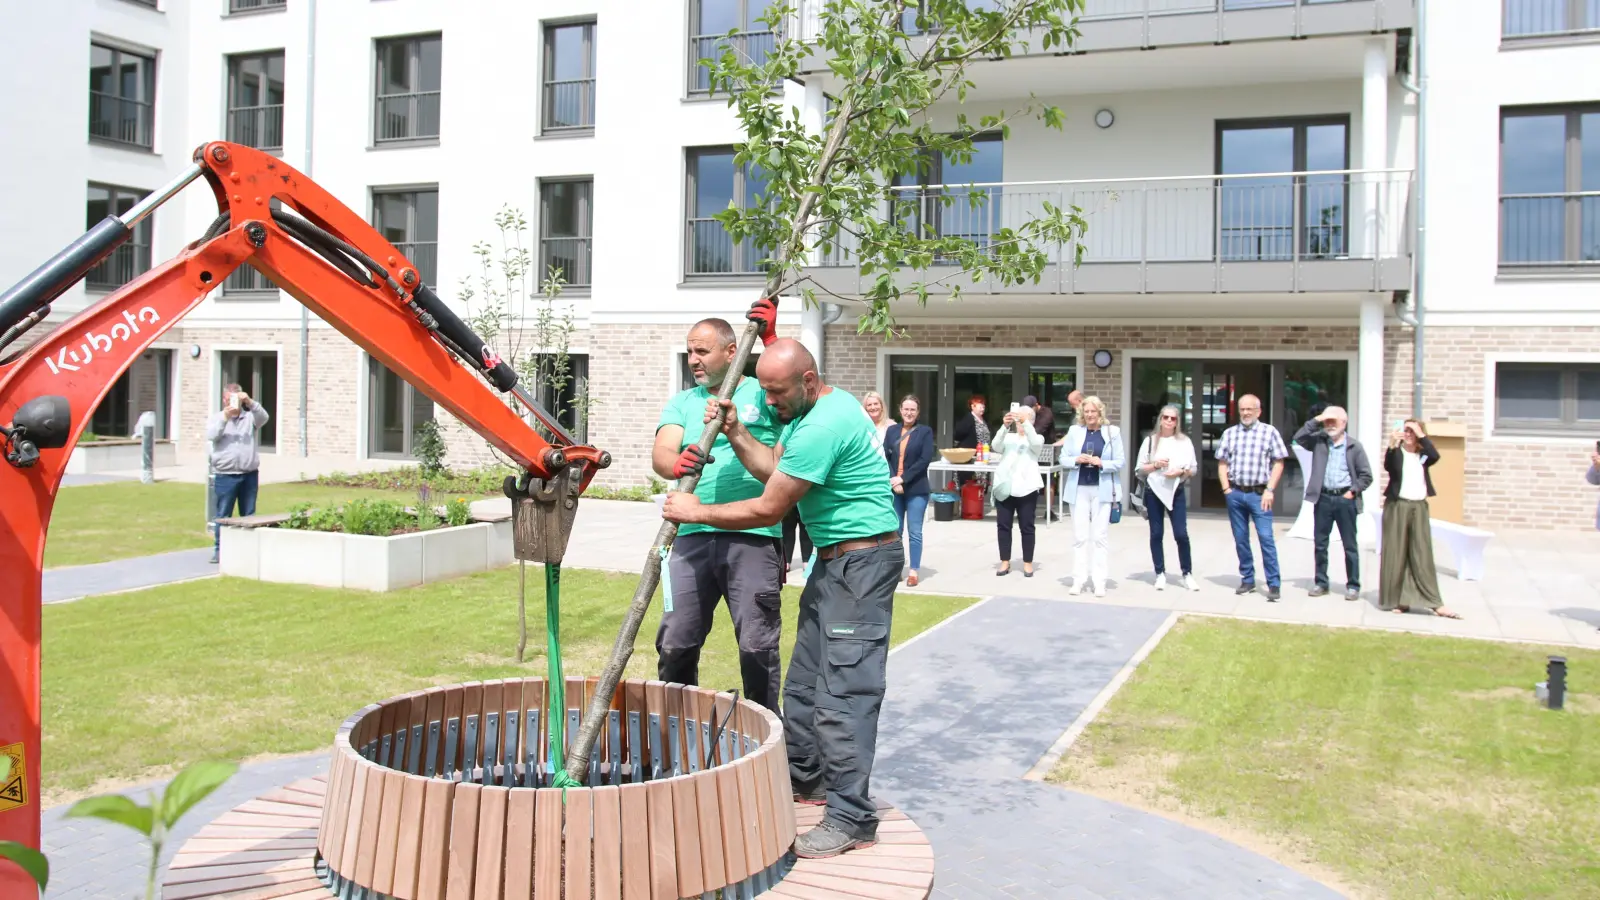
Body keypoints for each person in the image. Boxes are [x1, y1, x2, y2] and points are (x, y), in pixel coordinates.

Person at [662, 334, 901, 861]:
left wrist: (695, 511)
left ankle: (852, 817)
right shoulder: (808, 410)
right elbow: (775, 468)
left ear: (808, 381)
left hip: (861, 566)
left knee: (844, 694)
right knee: (803, 688)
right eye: (765, 392)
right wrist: (736, 430)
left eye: (776, 393)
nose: (768, 401)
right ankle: (807, 781)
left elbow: (770, 507)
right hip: (834, 562)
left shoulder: (823, 425)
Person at [651, 317, 785, 713]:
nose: (693, 359)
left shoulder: (762, 393)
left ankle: (765, 727)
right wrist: (676, 464)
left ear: (732, 352)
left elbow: (799, 382)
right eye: (689, 351)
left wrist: (772, 337)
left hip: (752, 535)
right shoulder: (683, 402)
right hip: (689, 537)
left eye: (702, 351)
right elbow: (662, 454)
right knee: (675, 640)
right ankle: (677, 726)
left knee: (757, 645)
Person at [1293, 405, 1373, 601]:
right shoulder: (1319, 441)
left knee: (1349, 545)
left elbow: (1366, 476)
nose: (1329, 425)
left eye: (1333, 421)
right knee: (1320, 544)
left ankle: (1353, 585)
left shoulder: (1354, 446)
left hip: (1345, 500)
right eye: (1327, 422)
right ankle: (1321, 582)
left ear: (1344, 423)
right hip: (1324, 499)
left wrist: (1352, 492)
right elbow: (1299, 437)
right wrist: (1318, 419)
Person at [1381, 420, 1459, 618]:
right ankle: (1400, 600)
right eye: (1405, 430)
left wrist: (1421, 435)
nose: (1408, 434)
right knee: (1397, 552)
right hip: (1398, 506)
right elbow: (1389, 466)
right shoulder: (1397, 453)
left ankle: (1435, 602)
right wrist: (1391, 444)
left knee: (1421, 553)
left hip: (1419, 507)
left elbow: (1435, 455)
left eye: (1412, 431)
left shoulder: (1423, 455)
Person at [1214, 393, 1288, 601]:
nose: (1246, 413)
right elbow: (1222, 463)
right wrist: (1226, 489)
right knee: (1240, 539)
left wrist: (1270, 489)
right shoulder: (1230, 434)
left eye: (1250, 409)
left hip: (1259, 494)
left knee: (1266, 538)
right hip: (1236, 493)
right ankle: (1247, 579)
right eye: (1243, 409)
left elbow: (1279, 462)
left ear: (1258, 411)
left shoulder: (1269, 432)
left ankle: (1273, 584)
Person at [1059, 395, 1123, 597]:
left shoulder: (1112, 432)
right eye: (1086, 411)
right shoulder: (1074, 431)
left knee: (1099, 537)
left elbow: (1120, 461)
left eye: (1093, 411)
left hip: (1101, 489)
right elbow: (1063, 458)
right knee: (1080, 537)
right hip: (1079, 488)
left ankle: (1099, 581)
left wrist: (1101, 463)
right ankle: (1078, 580)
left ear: (1099, 412)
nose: (1089, 415)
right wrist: (1076, 460)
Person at [1135, 404, 1198, 592]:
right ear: (1160, 419)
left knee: (1181, 534)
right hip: (1153, 491)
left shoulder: (1184, 441)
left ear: (1177, 422)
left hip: (1176, 490)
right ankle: (1160, 573)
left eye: (1173, 418)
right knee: (1156, 534)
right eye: (1166, 417)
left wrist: (1181, 471)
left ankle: (1187, 573)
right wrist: (1155, 465)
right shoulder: (1150, 441)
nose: (1169, 421)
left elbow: (1193, 468)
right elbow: (1139, 469)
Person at [207, 383, 269, 564]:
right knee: (223, 514)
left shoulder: (249, 418)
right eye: (228, 399)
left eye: (235, 399)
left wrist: (250, 402)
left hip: (248, 474)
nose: (231, 403)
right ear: (223, 400)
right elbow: (212, 435)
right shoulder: (217, 418)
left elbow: (264, 417)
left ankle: (247, 551)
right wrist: (225, 418)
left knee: (248, 515)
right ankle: (219, 550)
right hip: (226, 474)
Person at [884, 394, 936, 587]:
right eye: (906, 409)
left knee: (914, 531)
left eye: (912, 409)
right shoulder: (892, 431)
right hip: (894, 489)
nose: (909, 413)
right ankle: (896, 569)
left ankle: (914, 570)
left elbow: (924, 460)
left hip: (916, 490)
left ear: (918, 412)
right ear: (900, 410)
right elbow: (885, 457)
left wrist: (903, 479)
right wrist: (894, 480)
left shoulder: (925, 432)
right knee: (895, 531)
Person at [992, 401, 1044, 577]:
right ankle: (1005, 561)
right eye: (1019, 420)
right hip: (1006, 488)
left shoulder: (1036, 438)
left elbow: (1036, 444)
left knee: (1027, 526)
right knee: (1003, 526)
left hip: (1027, 488)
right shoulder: (1009, 438)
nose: (1021, 424)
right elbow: (996, 446)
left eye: (1025, 420)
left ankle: (1027, 562)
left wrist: (1026, 423)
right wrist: (1004, 426)